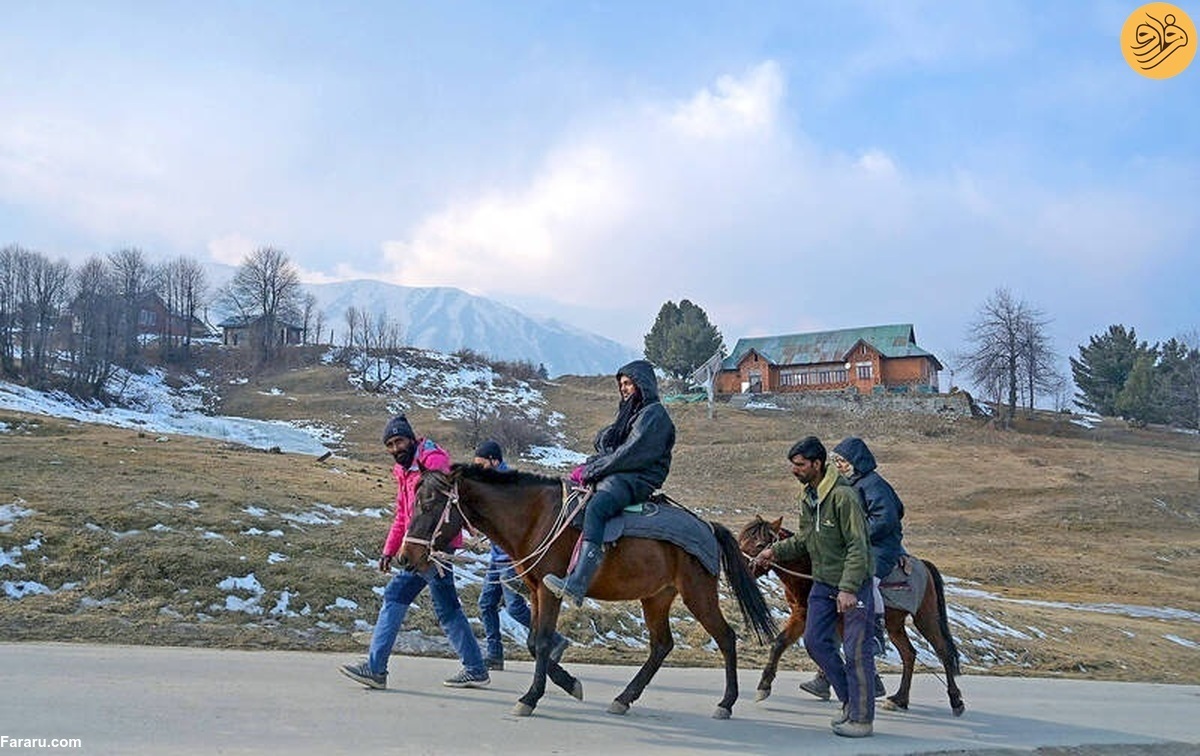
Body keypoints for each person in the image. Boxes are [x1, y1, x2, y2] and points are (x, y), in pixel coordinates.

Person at [339, 414, 491, 690]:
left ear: (411, 438)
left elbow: (439, 506)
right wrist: (389, 549)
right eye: (390, 444)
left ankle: (376, 668)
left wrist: (426, 544)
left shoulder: (432, 461)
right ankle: (476, 667)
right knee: (447, 607)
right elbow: (403, 515)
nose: (395, 448)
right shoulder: (404, 470)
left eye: (399, 441)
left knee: (395, 594)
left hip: (433, 545)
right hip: (420, 543)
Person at [753, 436, 876, 738]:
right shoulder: (808, 497)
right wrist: (774, 551)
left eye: (799, 465)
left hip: (851, 584)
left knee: (856, 651)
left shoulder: (843, 497)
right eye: (793, 465)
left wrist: (849, 588)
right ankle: (849, 700)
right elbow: (805, 539)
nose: (794, 470)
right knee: (816, 642)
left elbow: (858, 546)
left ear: (816, 464)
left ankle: (861, 720)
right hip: (823, 582)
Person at [544, 360, 675, 606]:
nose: (624, 388)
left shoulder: (654, 415)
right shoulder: (633, 413)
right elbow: (612, 445)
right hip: (624, 473)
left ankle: (578, 583)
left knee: (597, 507)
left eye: (628, 383)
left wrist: (593, 469)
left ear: (642, 384)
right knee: (569, 497)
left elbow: (630, 454)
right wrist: (592, 464)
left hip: (638, 479)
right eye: (621, 384)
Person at [798, 436, 902, 701]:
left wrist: (852, 532)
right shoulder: (848, 485)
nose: (840, 466)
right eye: (837, 461)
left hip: (878, 547)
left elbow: (886, 518)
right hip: (852, 545)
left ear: (858, 462)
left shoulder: (874, 485)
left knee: (869, 580)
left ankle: (875, 630)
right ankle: (827, 673)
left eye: (844, 461)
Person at [472, 440, 570, 670]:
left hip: (511, 558)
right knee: (486, 604)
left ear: (494, 461)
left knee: (514, 607)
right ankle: (495, 655)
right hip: (497, 557)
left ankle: (554, 639)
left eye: (481, 464)